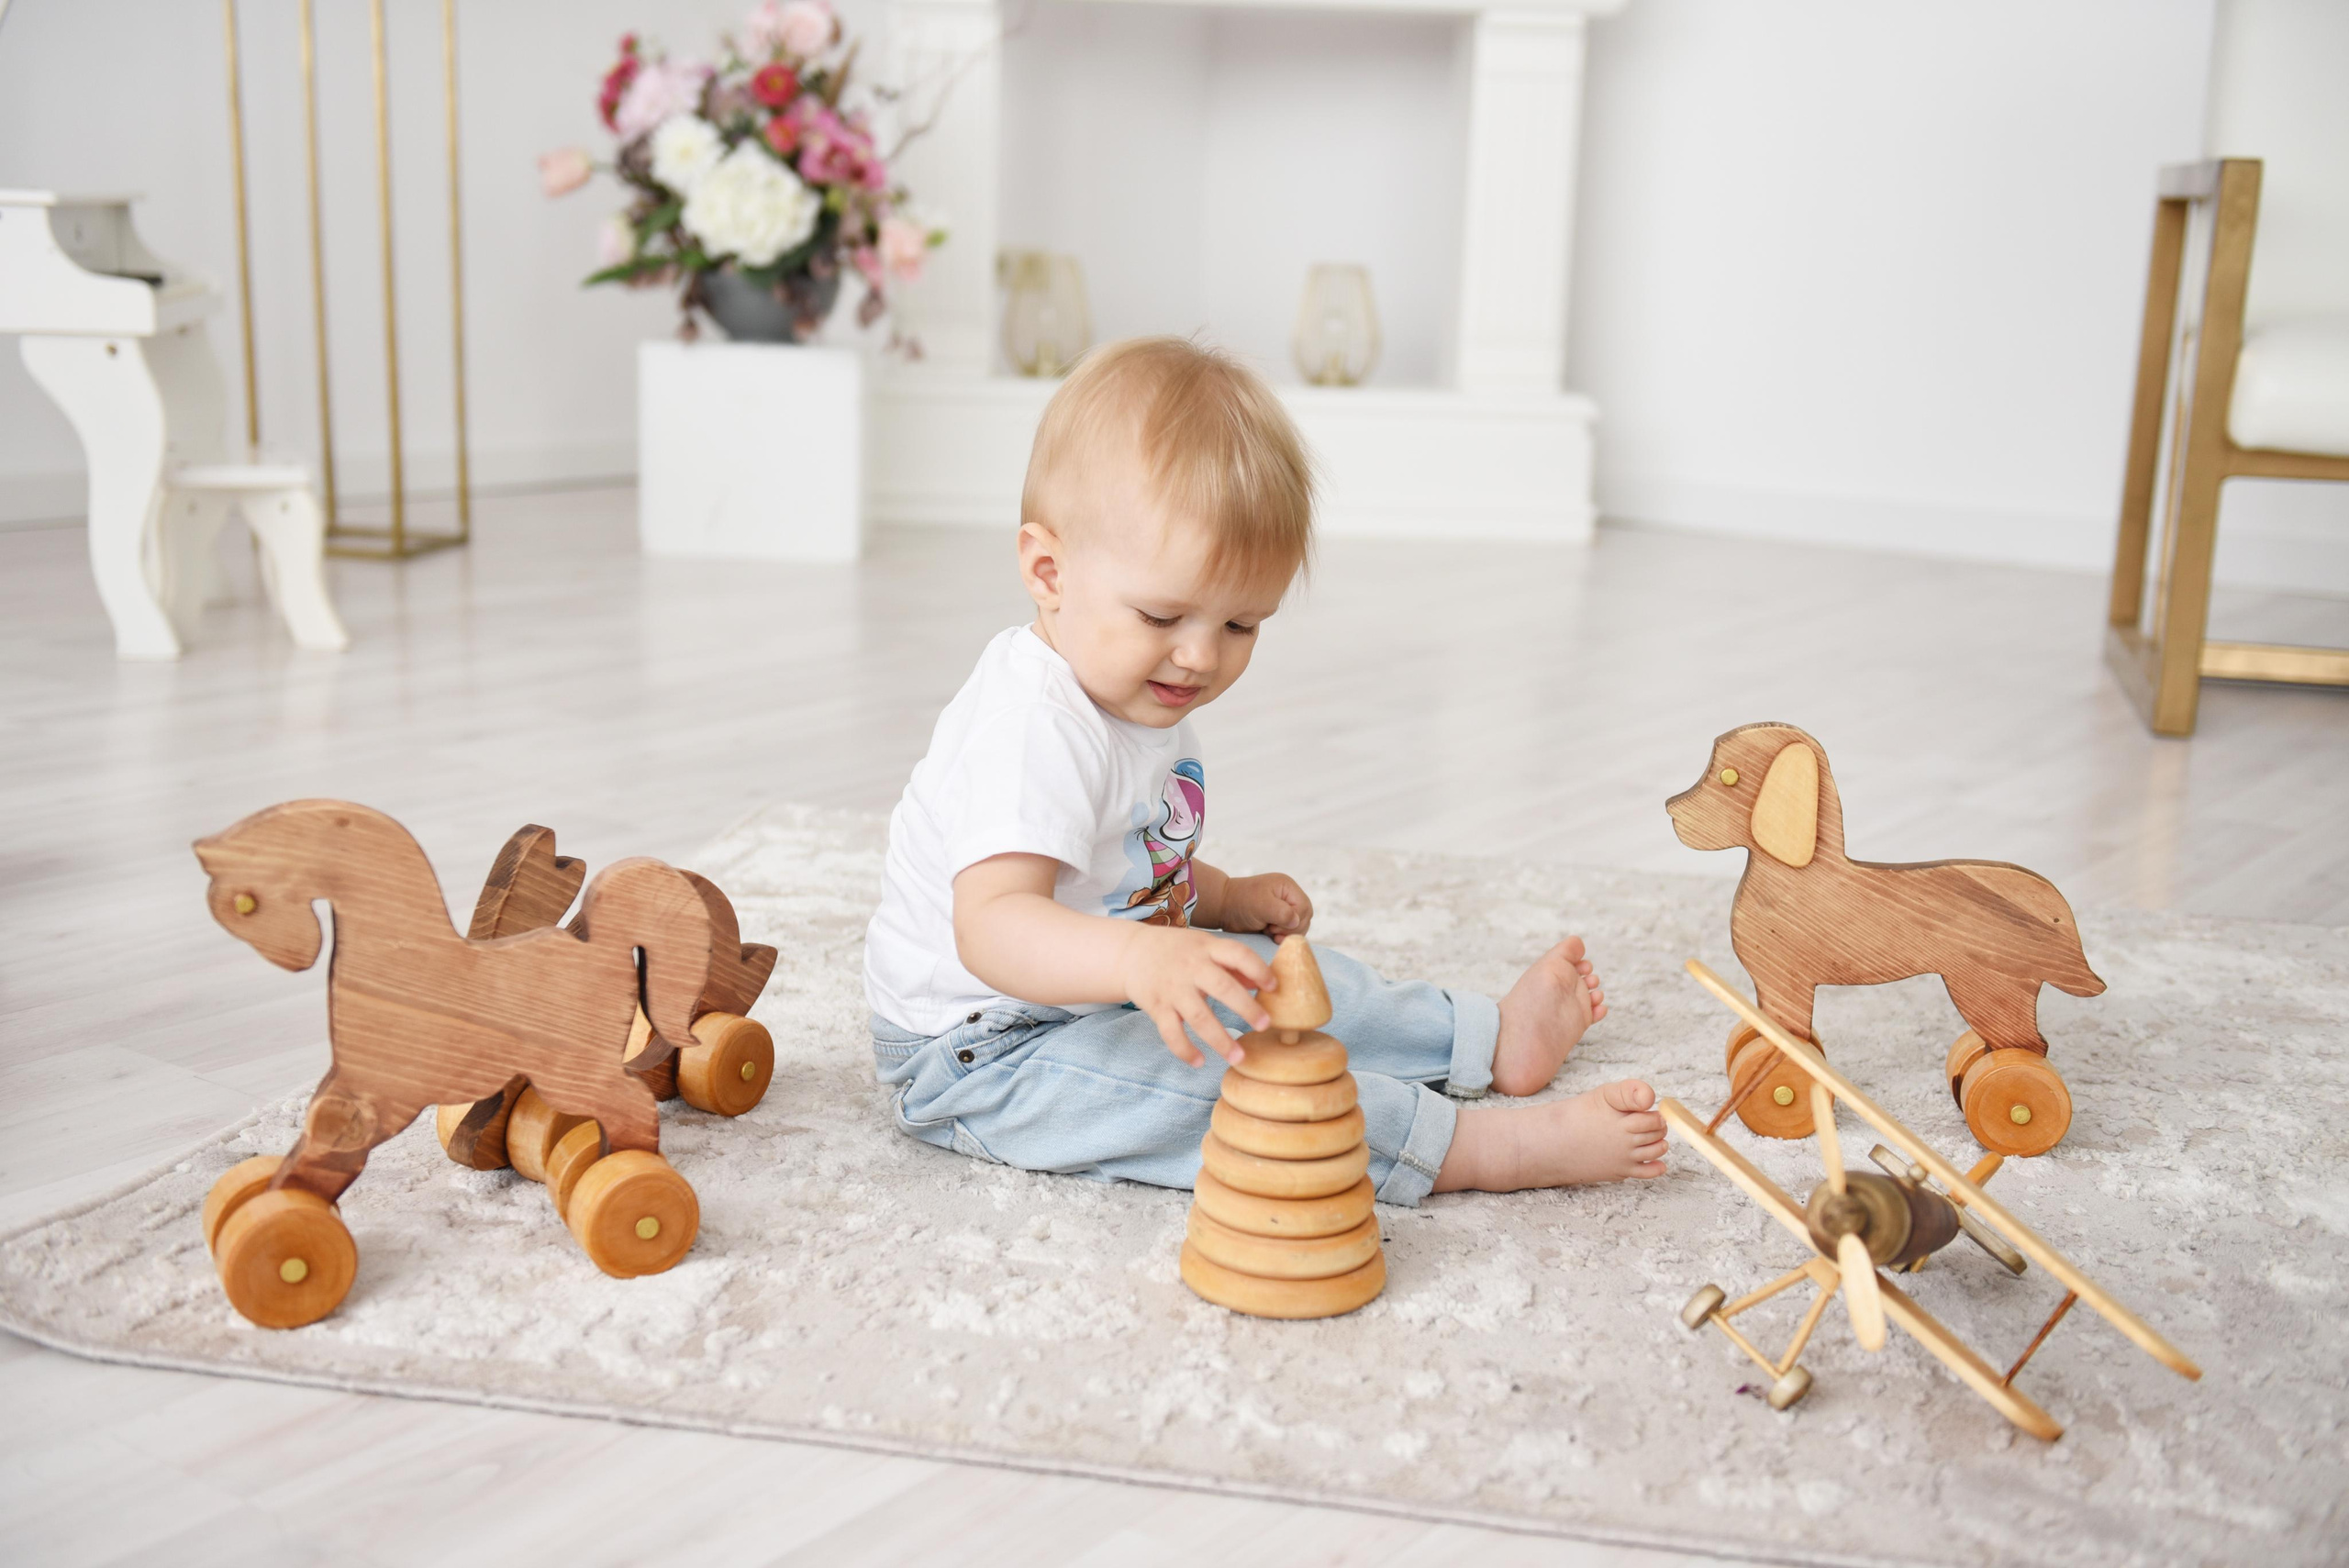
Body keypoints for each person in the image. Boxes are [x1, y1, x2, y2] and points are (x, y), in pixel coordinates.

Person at [863, 337, 1665, 1207]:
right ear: (1048, 571)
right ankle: (1485, 1149)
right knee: (1244, 1091)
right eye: (1164, 613)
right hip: (987, 1052)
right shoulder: (1031, 729)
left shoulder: (1133, 686)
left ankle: (1482, 1036)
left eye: (1243, 624)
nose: (1201, 655)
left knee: (1277, 982)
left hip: (1092, 988)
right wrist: (1141, 959)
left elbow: (1116, 869)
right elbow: (996, 924)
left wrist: (1220, 897)